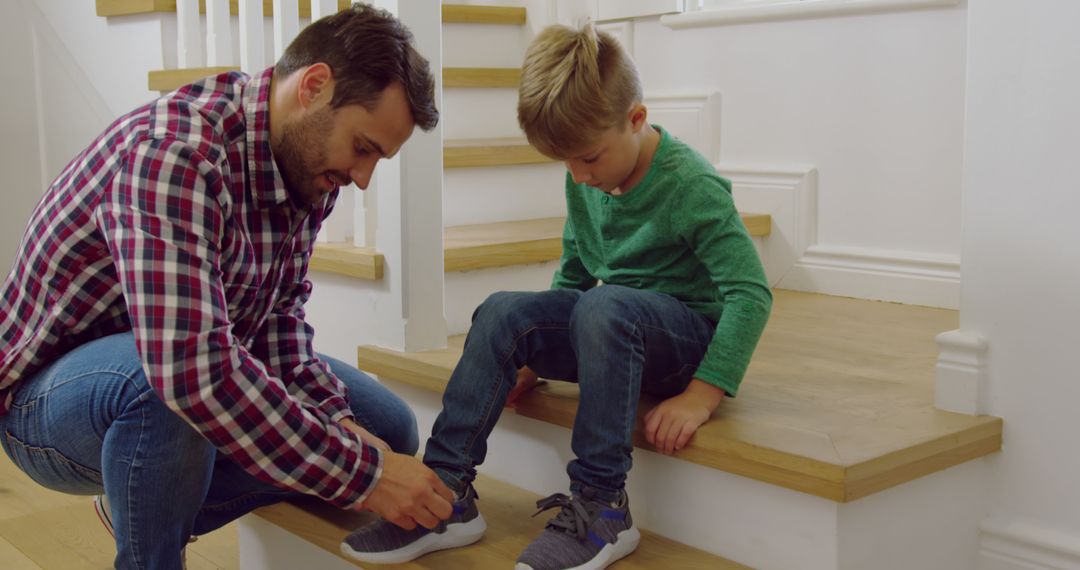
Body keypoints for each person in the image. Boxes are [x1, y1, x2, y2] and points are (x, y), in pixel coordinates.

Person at [0, 4, 455, 569]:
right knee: (165, 389)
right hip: (48, 403)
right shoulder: (174, 155)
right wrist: (363, 474)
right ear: (313, 86)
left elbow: (279, 322)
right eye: (363, 148)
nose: (362, 178)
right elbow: (190, 371)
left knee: (387, 428)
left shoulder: (307, 165)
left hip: (171, 374)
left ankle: (138, 497)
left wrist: (341, 428)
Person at [341, 23, 773, 570]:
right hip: (607, 329)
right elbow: (573, 277)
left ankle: (602, 506)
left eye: (588, 158)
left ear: (635, 120)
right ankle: (447, 494)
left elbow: (750, 294)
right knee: (503, 310)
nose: (578, 175)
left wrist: (702, 395)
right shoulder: (585, 179)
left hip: (681, 343)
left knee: (607, 303)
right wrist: (529, 353)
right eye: (565, 162)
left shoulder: (689, 185)